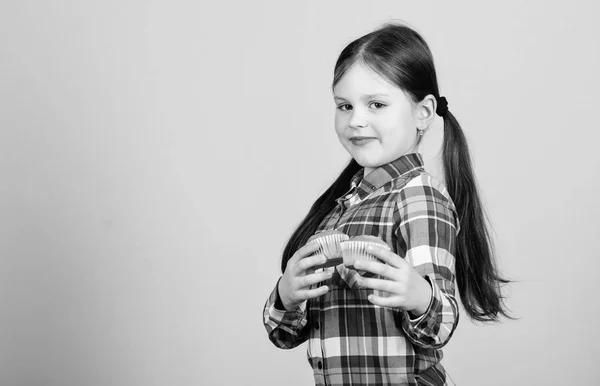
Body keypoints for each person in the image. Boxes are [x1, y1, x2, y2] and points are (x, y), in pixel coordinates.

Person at [262, 22, 509, 386]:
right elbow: (284, 336)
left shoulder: (419, 198)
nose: (356, 120)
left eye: (376, 104)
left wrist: (418, 295)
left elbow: (439, 327)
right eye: (344, 106)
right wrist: (286, 295)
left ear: (423, 112)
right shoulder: (339, 207)